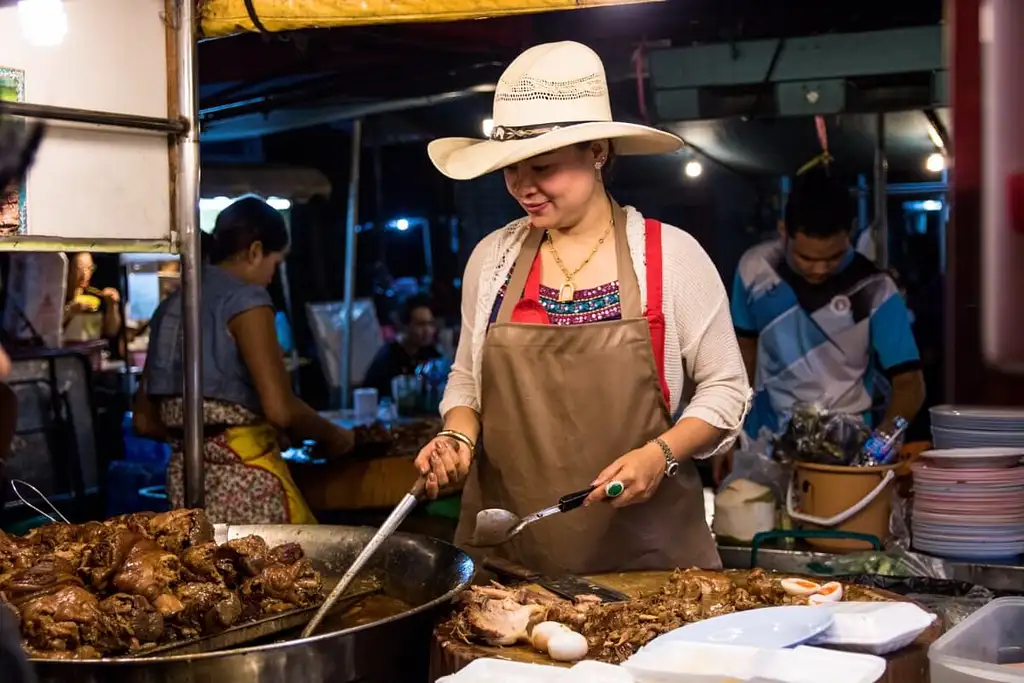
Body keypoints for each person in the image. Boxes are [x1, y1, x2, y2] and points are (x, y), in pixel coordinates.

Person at [414, 41, 751, 575]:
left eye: (542, 167)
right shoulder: (493, 259)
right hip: (514, 565)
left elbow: (727, 389)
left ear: (597, 152)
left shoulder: (669, 257)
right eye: (511, 170)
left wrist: (660, 454)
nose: (524, 187)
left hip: (651, 566)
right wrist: (456, 435)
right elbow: (466, 380)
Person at [133, 195, 354, 524]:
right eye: (275, 263)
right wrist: (336, 436)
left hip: (182, 487)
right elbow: (281, 409)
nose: (270, 277)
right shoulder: (246, 300)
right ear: (255, 251)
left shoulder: (170, 307)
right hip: (248, 486)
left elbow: (144, 421)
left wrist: (202, 442)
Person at [728, 169, 925, 454]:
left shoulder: (875, 289)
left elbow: (910, 383)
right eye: (805, 258)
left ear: (851, 231)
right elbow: (743, 351)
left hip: (848, 442)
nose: (819, 269)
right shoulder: (755, 268)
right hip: (766, 438)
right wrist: (730, 432)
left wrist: (880, 445)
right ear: (784, 231)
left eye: (834, 257)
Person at [362, 293, 443, 398]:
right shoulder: (388, 358)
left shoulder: (432, 354)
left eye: (430, 324)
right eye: (420, 324)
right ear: (404, 326)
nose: (427, 330)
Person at [63, 252, 122, 345]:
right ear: (68, 269)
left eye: (89, 268)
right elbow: (49, 332)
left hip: (93, 354)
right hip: (67, 355)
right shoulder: (60, 297)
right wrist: (69, 312)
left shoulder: (97, 297)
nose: (84, 274)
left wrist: (112, 306)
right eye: (79, 269)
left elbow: (111, 332)